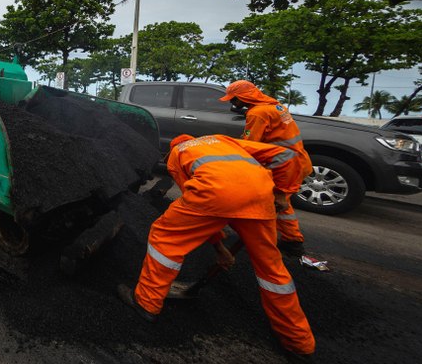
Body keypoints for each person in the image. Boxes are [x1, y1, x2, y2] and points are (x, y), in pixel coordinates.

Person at [117, 134, 314, 361]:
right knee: (271, 268)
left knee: (165, 237)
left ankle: (146, 302)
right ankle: (299, 341)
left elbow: (200, 207)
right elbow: (286, 155)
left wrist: (218, 246)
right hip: (260, 195)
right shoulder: (222, 140)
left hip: (216, 193)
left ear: (173, 148)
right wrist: (281, 191)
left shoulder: (176, 156)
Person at [220, 80, 312, 256]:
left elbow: (251, 144)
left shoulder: (257, 113)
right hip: (297, 159)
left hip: (283, 164)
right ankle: (292, 240)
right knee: (282, 201)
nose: (233, 103)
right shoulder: (276, 106)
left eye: (234, 99)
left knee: (276, 201)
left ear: (243, 97)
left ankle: (273, 241)